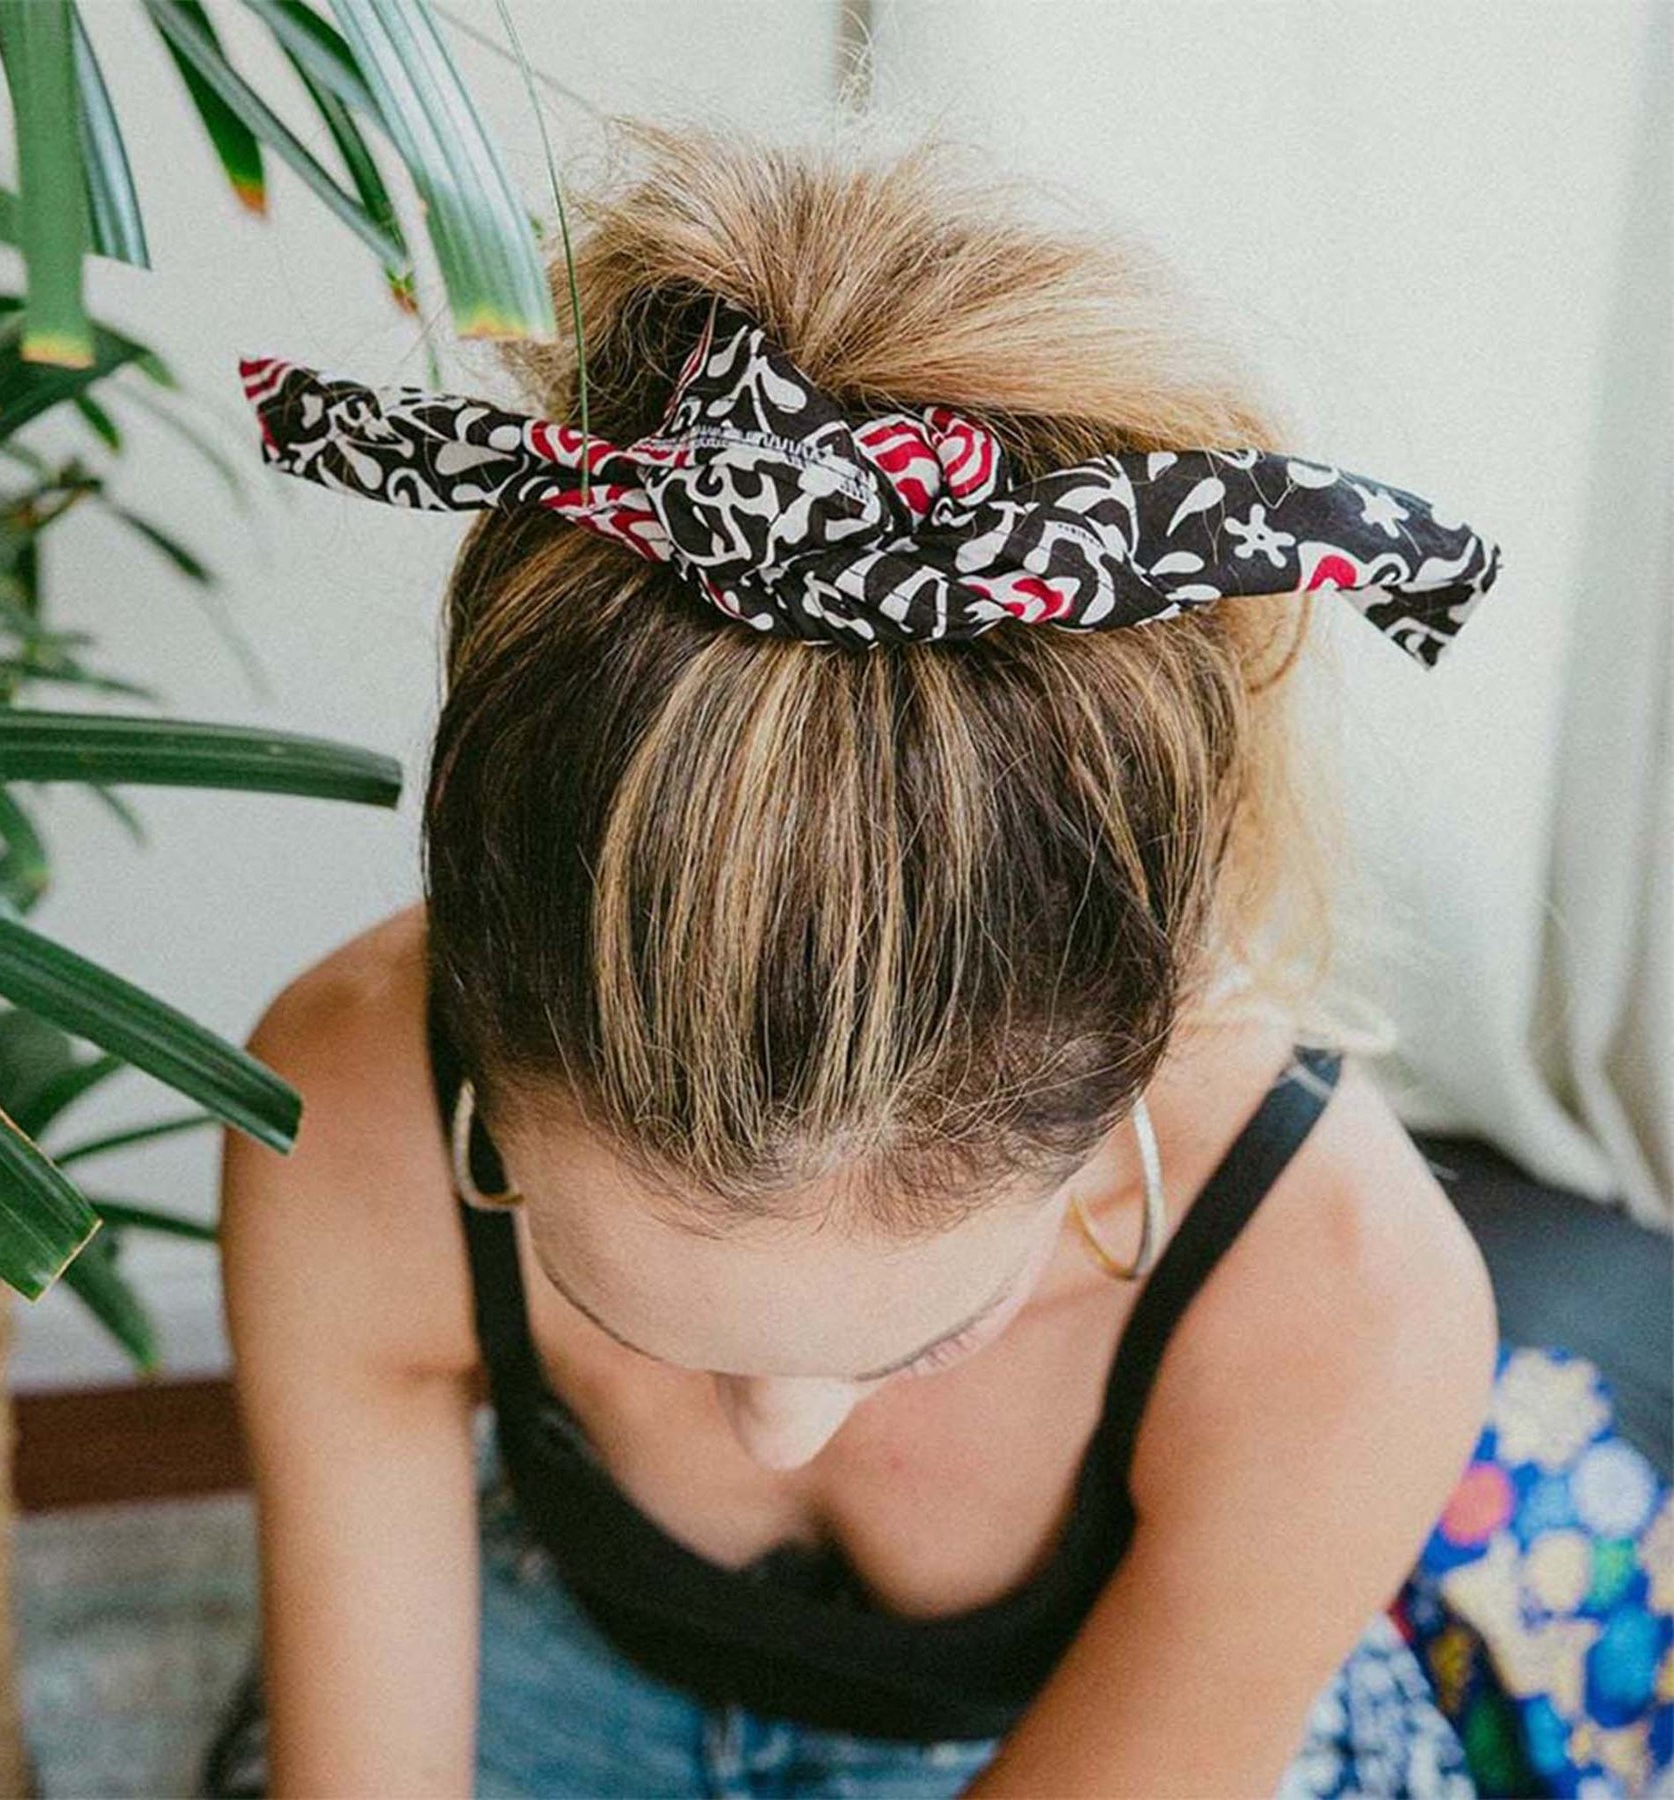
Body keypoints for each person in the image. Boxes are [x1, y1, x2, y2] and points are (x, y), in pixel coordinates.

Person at [206, 117, 1668, 1798]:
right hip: (567, 1664)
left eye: (920, 1339)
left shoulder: (1350, 1301)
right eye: (633, 1321)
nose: (778, 1428)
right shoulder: (342, 1109)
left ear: (1141, 1057)